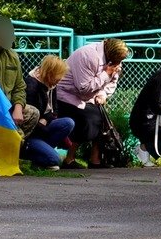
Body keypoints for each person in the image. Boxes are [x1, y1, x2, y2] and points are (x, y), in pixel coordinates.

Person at [0, 15, 70, 168]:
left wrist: (18, 107)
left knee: (32, 113)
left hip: (7, 108)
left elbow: (19, 86)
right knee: (52, 158)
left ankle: (10, 150)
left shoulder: (12, 56)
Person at [55, 37, 130, 166]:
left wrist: (103, 94)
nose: (119, 64)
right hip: (66, 95)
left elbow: (113, 81)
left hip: (88, 97)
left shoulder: (114, 60)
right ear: (110, 55)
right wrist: (105, 74)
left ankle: (95, 160)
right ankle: (69, 159)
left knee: (102, 119)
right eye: (118, 61)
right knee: (92, 118)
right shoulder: (87, 56)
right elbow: (83, 88)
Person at [25, 54, 77, 165]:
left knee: (68, 123)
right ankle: (31, 156)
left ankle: (44, 150)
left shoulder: (51, 84)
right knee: (55, 160)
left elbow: (55, 110)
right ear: (50, 73)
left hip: (43, 126)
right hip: (32, 134)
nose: (60, 79)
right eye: (58, 76)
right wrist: (45, 123)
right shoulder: (31, 86)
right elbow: (30, 119)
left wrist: (45, 119)